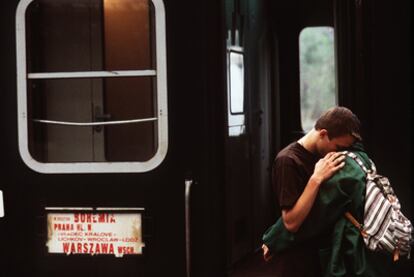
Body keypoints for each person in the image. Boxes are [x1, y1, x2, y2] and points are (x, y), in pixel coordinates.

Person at [262, 106, 362, 277]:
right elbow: (291, 222)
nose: (340, 154)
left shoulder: (328, 153)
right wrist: (316, 179)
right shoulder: (288, 161)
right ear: (323, 134)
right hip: (298, 259)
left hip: (322, 252)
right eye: (338, 147)